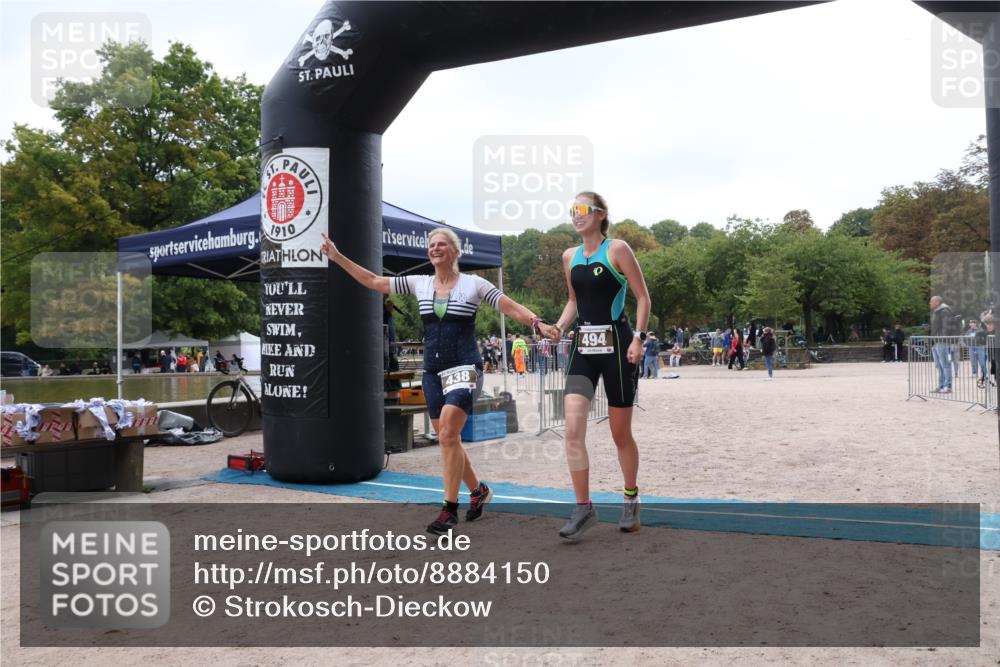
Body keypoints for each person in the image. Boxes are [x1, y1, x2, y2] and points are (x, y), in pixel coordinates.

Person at [320, 227, 556, 534]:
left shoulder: (474, 284)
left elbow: (508, 307)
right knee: (449, 437)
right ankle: (478, 491)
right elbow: (375, 281)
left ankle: (448, 510)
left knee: (446, 434)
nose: (435, 248)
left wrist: (537, 322)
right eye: (431, 245)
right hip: (432, 371)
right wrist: (337, 257)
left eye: (442, 244)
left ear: (455, 252)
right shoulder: (419, 283)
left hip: (465, 368)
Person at [548, 191, 651, 540]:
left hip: (618, 348)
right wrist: (560, 326)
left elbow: (643, 298)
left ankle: (631, 498)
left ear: (601, 214)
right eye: (572, 210)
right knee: (573, 430)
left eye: (582, 209)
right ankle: (583, 506)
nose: (576, 215)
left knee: (620, 433)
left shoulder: (617, 249)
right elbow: (574, 301)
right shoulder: (569, 257)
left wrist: (639, 338)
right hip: (583, 349)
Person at [929, 295, 959, 393]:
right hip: (936, 341)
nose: (930, 303)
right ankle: (941, 385)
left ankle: (948, 386)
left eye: (931, 301)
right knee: (939, 365)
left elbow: (946, 328)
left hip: (942, 341)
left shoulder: (944, 311)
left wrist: (942, 339)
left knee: (945, 364)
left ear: (937, 302)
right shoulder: (936, 312)